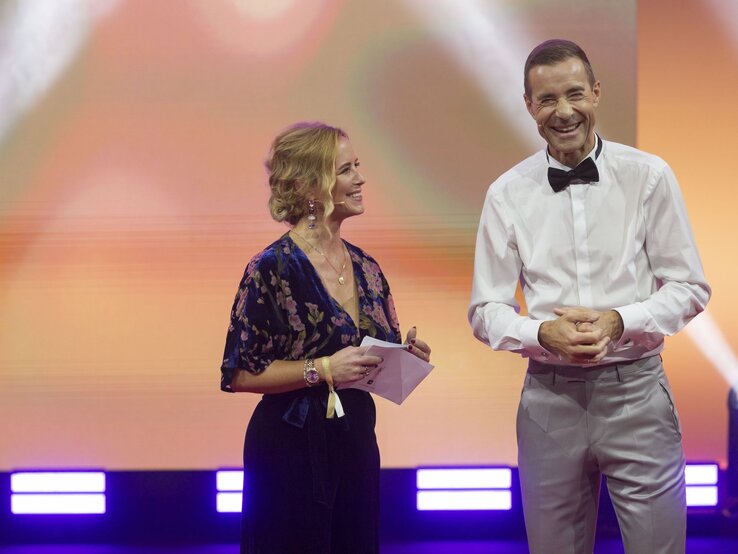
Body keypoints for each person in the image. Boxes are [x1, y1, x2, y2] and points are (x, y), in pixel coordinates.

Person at [468, 39, 710, 554]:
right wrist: (541, 333)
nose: (564, 111)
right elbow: (485, 311)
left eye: (575, 94)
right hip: (547, 398)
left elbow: (689, 287)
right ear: (529, 106)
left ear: (596, 93)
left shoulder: (649, 176)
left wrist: (619, 321)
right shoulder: (506, 194)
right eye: (548, 99)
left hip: (637, 392)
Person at [220, 121, 431, 554]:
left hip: (355, 443)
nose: (361, 178)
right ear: (311, 187)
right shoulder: (272, 267)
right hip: (288, 448)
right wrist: (324, 369)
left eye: (358, 166)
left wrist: (405, 356)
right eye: (347, 169)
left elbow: (372, 361)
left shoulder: (367, 268)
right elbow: (239, 372)